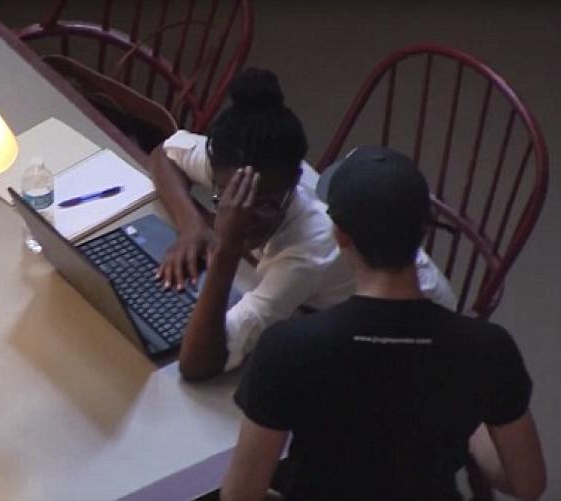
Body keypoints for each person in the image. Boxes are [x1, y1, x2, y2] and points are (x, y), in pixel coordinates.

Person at [220, 146, 546, 501]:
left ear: (341, 235)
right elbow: (527, 484)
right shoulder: (487, 350)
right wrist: (466, 404)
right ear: (423, 230)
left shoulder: (287, 348)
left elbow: (240, 496)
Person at [148, 68, 455, 381]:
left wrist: (228, 247)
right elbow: (165, 154)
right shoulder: (240, 163)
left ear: (294, 182)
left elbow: (198, 363)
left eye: (265, 204)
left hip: (417, 330)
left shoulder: (305, 254)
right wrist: (192, 226)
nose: (243, 216)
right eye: (229, 197)